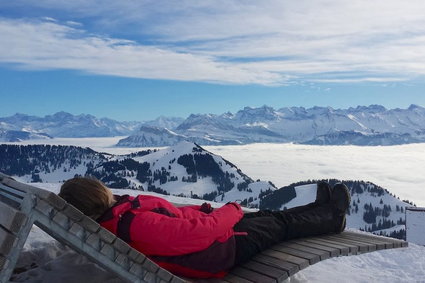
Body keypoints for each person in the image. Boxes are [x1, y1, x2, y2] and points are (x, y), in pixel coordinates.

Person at [58, 177, 350, 278]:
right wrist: (231, 211)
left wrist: (205, 210)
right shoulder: (134, 225)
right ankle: (332, 219)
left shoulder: (119, 215)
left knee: (265, 215)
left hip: (210, 243)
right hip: (221, 251)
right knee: (278, 223)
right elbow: (201, 234)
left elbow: (173, 216)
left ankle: (320, 210)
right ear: (98, 194)